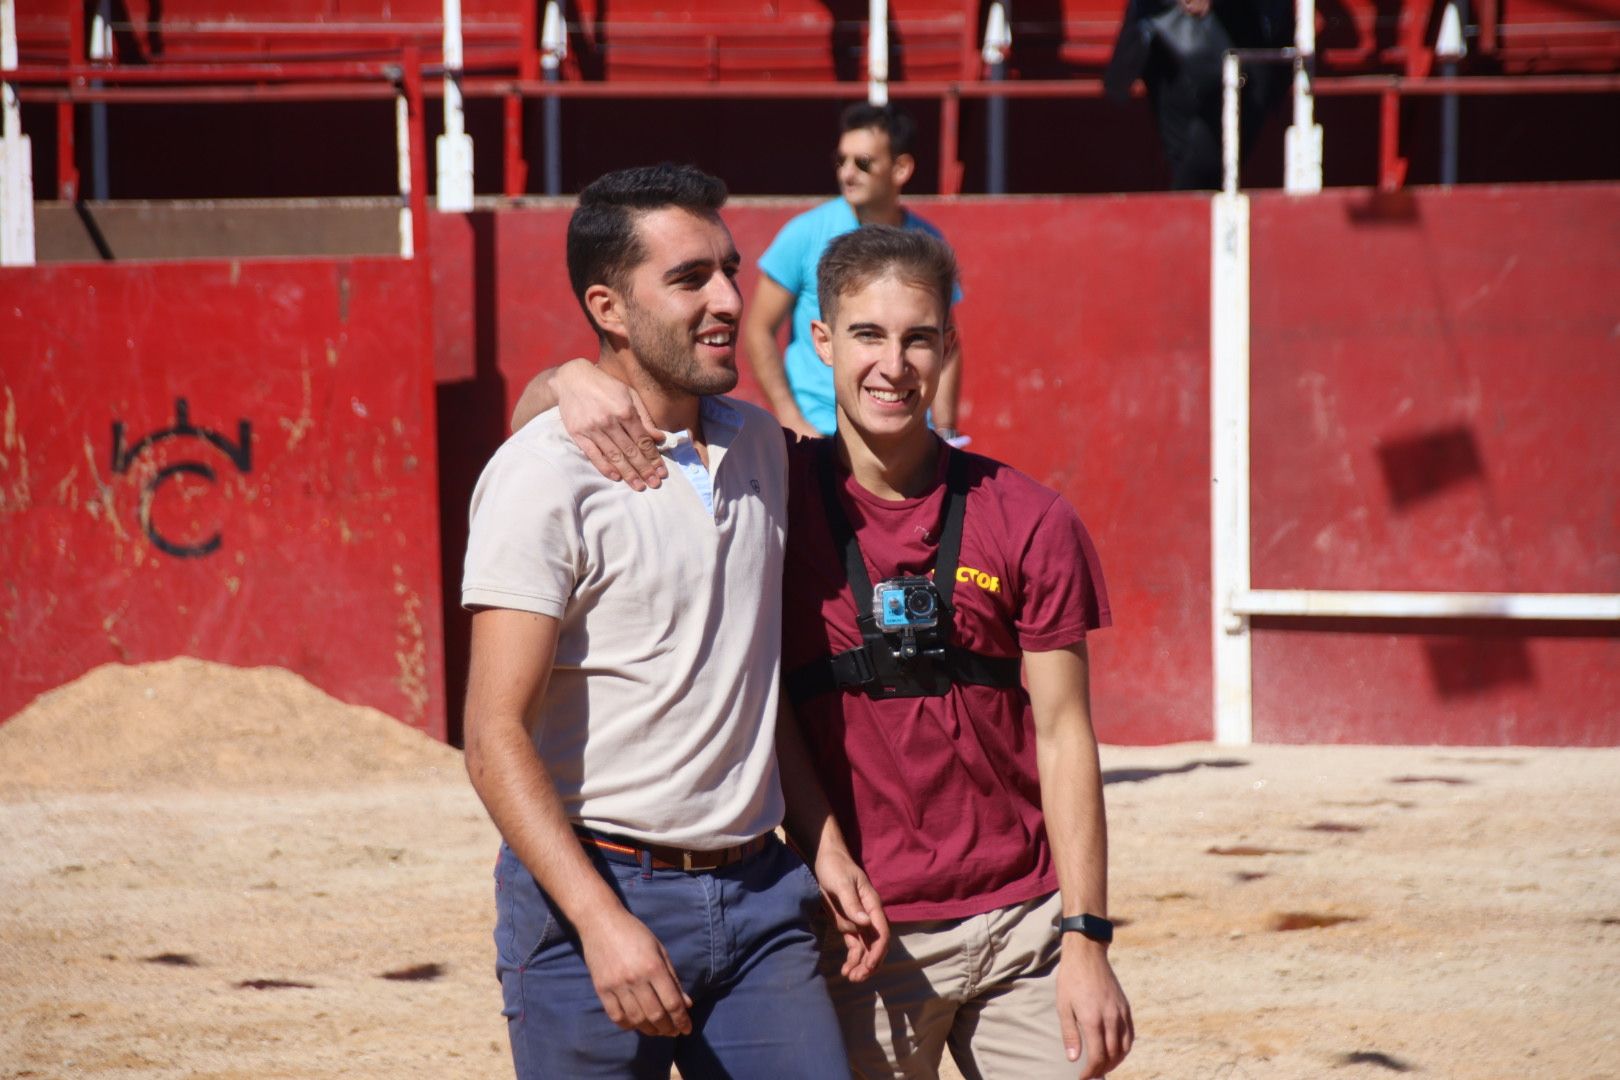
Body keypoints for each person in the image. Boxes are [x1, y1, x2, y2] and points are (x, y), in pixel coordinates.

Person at [526, 227, 1134, 1078]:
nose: (894, 364)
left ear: (949, 345)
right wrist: (564, 378)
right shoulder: (761, 481)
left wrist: (1086, 936)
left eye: (919, 337)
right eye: (868, 336)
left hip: (1027, 929)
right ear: (821, 341)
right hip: (860, 935)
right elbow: (544, 426)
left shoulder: (1029, 517)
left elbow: (1068, 734)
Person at [461, 163, 887, 1080]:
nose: (731, 298)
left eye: (729, 270)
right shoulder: (542, 475)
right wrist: (601, 924)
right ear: (610, 308)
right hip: (595, 899)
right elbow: (492, 737)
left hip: (764, 899)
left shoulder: (762, 446)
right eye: (690, 278)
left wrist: (823, 845)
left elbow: (749, 677)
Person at [743, 102, 966, 441]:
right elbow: (759, 329)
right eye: (841, 160)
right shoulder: (803, 234)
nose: (847, 173)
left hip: (909, 437)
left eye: (862, 163)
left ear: (901, 168)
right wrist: (793, 420)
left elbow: (946, 341)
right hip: (823, 435)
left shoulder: (929, 242)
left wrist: (946, 431)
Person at [1105, 0, 1293, 190]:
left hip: (1246, 46)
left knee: (1203, 166)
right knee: (1186, 160)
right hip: (1165, 42)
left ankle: (1183, 213)